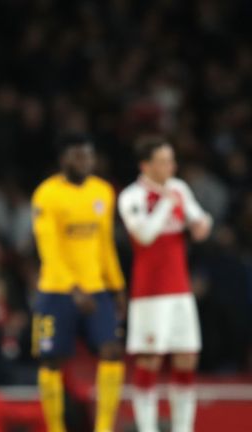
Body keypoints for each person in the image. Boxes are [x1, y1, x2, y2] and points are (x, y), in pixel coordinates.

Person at [30, 133, 126, 432]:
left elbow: (105, 243)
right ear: (64, 159)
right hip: (56, 290)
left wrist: (117, 285)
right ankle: (56, 428)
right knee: (51, 362)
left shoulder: (103, 192)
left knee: (111, 351)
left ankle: (104, 428)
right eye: (78, 156)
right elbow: (49, 249)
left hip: (96, 289)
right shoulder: (46, 194)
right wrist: (73, 288)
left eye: (88, 155)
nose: (85, 161)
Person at [118, 137, 211, 432]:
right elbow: (143, 236)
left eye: (171, 160)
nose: (171, 166)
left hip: (180, 290)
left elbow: (199, 221)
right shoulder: (131, 197)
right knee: (150, 360)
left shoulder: (180, 188)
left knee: (186, 357)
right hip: (149, 293)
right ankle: (148, 428)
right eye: (164, 161)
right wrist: (165, 206)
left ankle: (183, 428)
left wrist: (201, 224)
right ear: (146, 165)